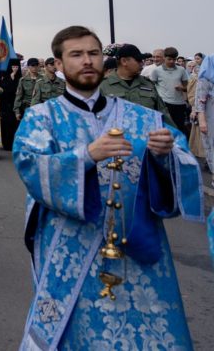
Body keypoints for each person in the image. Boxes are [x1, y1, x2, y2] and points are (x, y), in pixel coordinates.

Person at [13, 26, 202, 349]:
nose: (87, 61)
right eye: (76, 55)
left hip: (137, 245)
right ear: (58, 64)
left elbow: (180, 156)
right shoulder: (41, 118)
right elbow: (31, 165)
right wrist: (86, 156)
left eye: (93, 53)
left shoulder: (143, 117)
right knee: (78, 329)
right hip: (71, 245)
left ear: (103, 59)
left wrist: (164, 156)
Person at [99, 44, 175, 128]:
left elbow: (163, 114)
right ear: (124, 61)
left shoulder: (148, 84)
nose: (142, 64)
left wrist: (174, 136)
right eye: (138, 60)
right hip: (115, 138)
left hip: (147, 138)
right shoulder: (103, 86)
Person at [148, 46, 190, 134]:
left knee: (179, 128)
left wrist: (182, 88)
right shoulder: (157, 71)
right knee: (165, 128)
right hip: (164, 103)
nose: (172, 61)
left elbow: (188, 87)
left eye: (174, 59)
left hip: (179, 103)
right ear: (164, 58)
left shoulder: (181, 70)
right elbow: (151, 87)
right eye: (169, 59)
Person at [194, 55, 214, 174]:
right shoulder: (204, 79)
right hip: (210, 118)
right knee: (212, 146)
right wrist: (202, 121)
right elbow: (200, 101)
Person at [0, 61, 21, 151]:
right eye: (13, 67)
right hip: (6, 104)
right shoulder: (6, 77)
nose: (15, 69)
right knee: (7, 125)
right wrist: (11, 78)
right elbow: (4, 90)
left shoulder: (20, 78)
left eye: (16, 67)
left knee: (15, 125)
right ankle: (6, 144)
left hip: (16, 104)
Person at [14, 58, 41, 122]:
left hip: (41, 108)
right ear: (28, 66)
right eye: (32, 65)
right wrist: (17, 112)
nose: (35, 67)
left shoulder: (43, 78)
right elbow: (18, 96)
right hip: (27, 108)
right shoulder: (23, 80)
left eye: (36, 65)